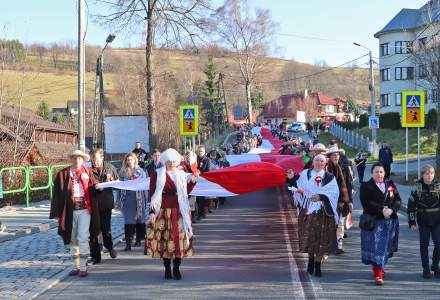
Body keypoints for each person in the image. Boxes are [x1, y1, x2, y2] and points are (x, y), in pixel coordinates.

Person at [145, 148, 198, 280]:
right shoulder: (156, 174)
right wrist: (152, 211)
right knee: (165, 241)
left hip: (179, 211)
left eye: (173, 161)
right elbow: (152, 194)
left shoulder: (181, 174)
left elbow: (186, 191)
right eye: (168, 161)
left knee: (178, 240)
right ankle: (167, 268)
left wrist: (192, 181)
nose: (171, 164)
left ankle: (177, 268)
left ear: (177, 162)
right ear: (164, 161)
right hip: (162, 211)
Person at [49, 150, 100, 277]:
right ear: (71, 159)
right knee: (72, 238)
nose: (77, 160)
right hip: (69, 211)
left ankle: (83, 267)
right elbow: (57, 194)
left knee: (83, 236)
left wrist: (100, 187)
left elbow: (94, 189)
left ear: (83, 160)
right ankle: (76, 266)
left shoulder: (88, 172)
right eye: (75, 158)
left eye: (80, 158)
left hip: (84, 209)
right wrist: (57, 213)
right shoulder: (63, 173)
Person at [289, 154, 340, 277]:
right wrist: (291, 179)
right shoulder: (305, 174)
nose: (319, 163)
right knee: (309, 237)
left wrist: (321, 197)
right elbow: (296, 188)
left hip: (323, 212)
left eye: (322, 161)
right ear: (313, 162)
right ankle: (311, 260)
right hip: (307, 210)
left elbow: (334, 193)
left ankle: (318, 264)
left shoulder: (329, 177)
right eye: (317, 160)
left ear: (325, 163)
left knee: (322, 239)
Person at [360, 162, 401, 285]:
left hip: (390, 221)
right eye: (376, 172)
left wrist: (392, 210)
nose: (379, 174)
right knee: (377, 248)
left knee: (386, 247)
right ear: (372, 173)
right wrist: (382, 209)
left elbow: (398, 200)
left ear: (384, 173)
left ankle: (381, 268)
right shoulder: (366, 186)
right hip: (375, 222)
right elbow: (366, 203)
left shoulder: (390, 184)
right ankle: (378, 274)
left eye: (381, 172)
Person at [408, 164, 440, 278]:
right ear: (422, 175)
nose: (429, 176)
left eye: (431, 173)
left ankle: (435, 266)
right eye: (427, 173)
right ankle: (426, 269)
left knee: (439, 244)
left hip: (437, 221)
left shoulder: (438, 187)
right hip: (423, 222)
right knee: (424, 246)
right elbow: (411, 207)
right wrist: (412, 222)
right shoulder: (417, 189)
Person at [89, 148, 119, 264]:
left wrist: (110, 181)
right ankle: (95, 256)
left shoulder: (110, 167)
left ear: (102, 158)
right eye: (93, 160)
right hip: (93, 203)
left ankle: (110, 247)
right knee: (94, 231)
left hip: (106, 202)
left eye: (97, 159)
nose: (95, 162)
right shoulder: (88, 168)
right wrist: (95, 186)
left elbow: (117, 182)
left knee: (106, 229)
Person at [117, 153, 148, 251]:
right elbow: (119, 186)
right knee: (128, 221)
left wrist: (146, 198)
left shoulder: (140, 171)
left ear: (135, 160)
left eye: (131, 159)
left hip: (138, 198)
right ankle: (128, 242)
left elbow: (144, 185)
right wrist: (118, 200)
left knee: (139, 218)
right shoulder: (122, 172)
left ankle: (138, 239)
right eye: (128, 160)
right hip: (127, 198)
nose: (129, 161)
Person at [326, 147, 351, 255]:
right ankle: (330, 245)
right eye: (334, 155)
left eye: (338, 155)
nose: (336, 157)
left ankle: (339, 247)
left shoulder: (344, 168)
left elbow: (348, 184)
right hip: (329, 201)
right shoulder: (325, 169)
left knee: (340, 224)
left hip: (342, 201)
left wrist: (350, 201)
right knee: (330, 224)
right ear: (330, 157)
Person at [196, 145, 212, 220]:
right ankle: (200, 212)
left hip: (203, 182)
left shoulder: (207, 160)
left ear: (204, 152)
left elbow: (208, 171)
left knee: (202, 198)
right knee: (197, 199)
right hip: (196, 181)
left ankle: (201, 213)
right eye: (199, 151)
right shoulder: (195, 159)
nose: (200, 152)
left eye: (201, 151)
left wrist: (201, 173)